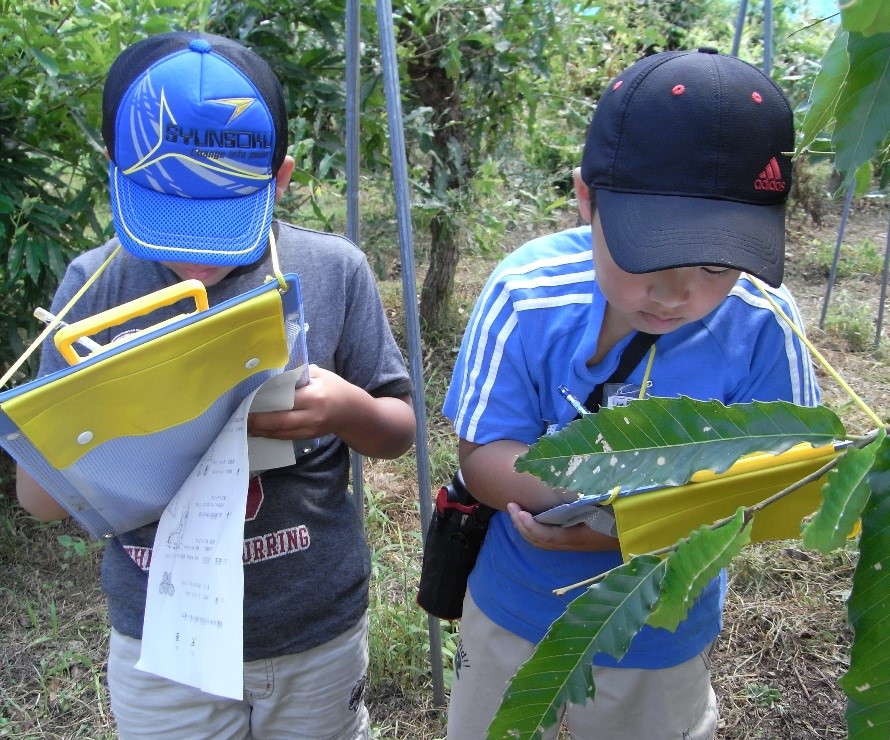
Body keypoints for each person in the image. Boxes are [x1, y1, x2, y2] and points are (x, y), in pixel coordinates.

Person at [15, 31, 416, 739]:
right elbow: (41, 501)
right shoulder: (93, 290)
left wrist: (346, 409)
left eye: (221, 226)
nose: (196, 263)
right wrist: (105, 411)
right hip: (163, 639)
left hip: (309, 626)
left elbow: (398, 427)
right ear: (115, 171)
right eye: (170, 224)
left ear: (281, 179)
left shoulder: (330, 270)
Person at [441, 48, 820, 739]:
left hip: (658, 632)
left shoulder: (764, 322)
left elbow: (781, 482)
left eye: (716, 264)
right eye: (650, 254)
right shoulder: (526, 297)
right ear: (588, 198)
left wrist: (623, 527)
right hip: (517, 611)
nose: (678, 294)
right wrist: (593, 506)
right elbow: (484, 455)